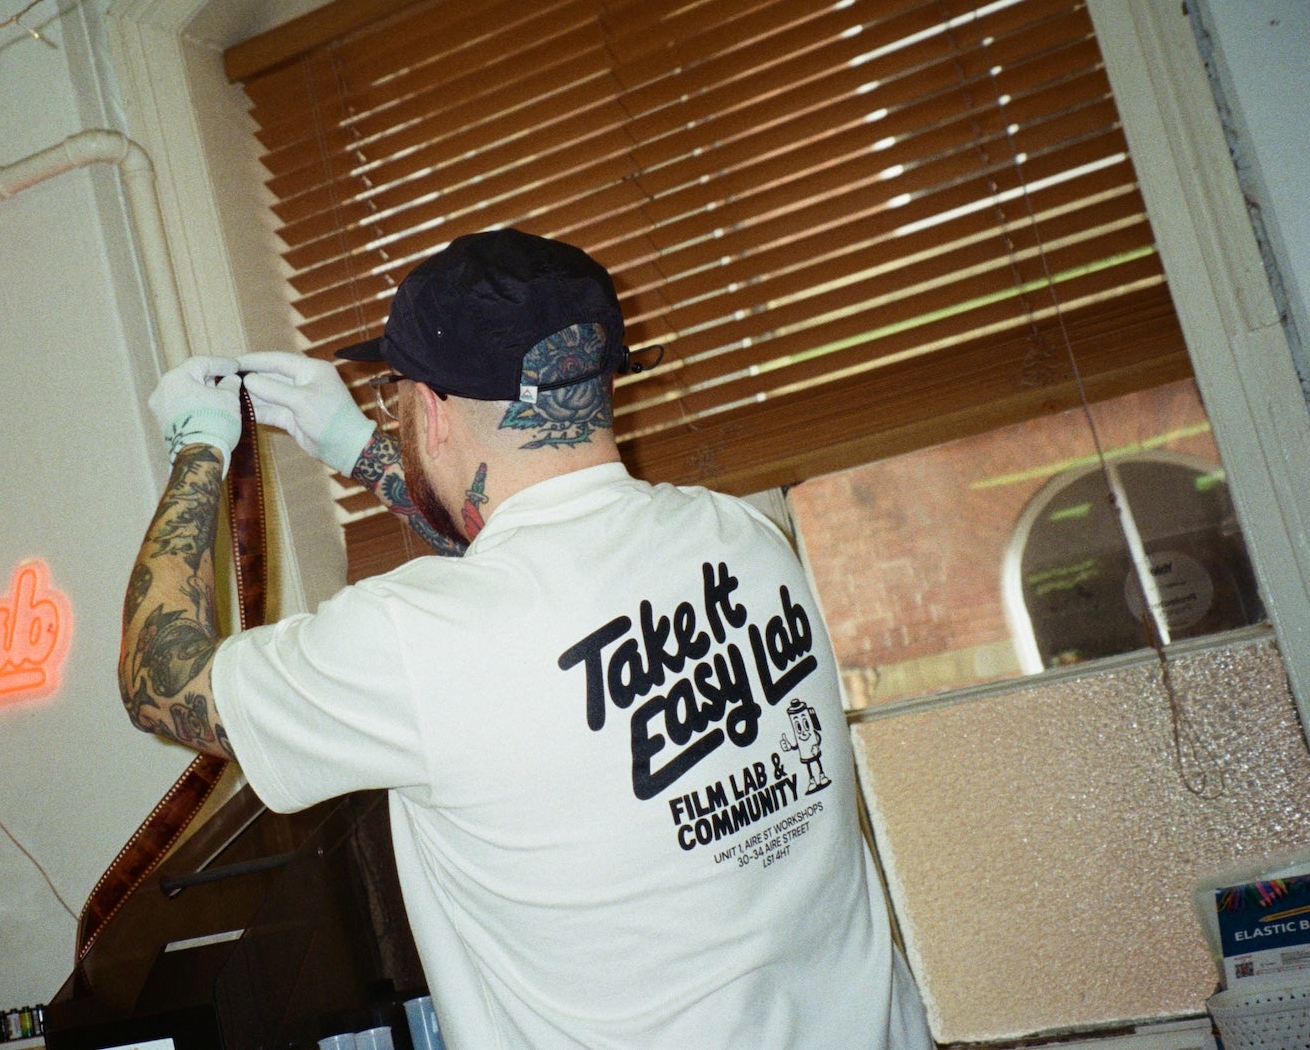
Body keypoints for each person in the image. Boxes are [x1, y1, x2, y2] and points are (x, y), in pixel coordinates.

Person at [123, 229, 932, 1049]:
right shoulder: (746, 538)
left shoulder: (418, 641)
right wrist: (358, 448)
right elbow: (534, 587)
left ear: (430, 412)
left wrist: (197, 449)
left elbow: (159, 678)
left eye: (397, 398)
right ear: (600, 382)